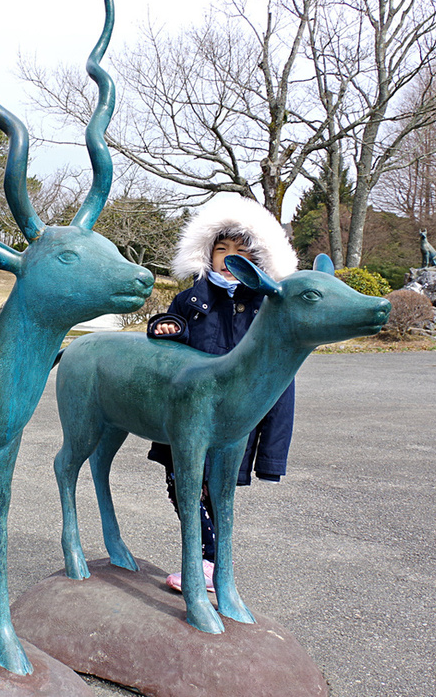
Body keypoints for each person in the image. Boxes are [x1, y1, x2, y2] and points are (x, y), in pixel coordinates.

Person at [145, 194, 299, 593]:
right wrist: (166, 326)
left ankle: (211, 561)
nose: (229, 259)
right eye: (222, 249)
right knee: (183, 486)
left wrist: (271, 456)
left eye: (242, 252)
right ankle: (205, 558)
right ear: (207, 253)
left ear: (260, 259)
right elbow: (169, 330)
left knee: (216, 489)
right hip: (187, 417)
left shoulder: (267, 306)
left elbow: (280, 382)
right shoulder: (193, 298)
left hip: (233, 421)